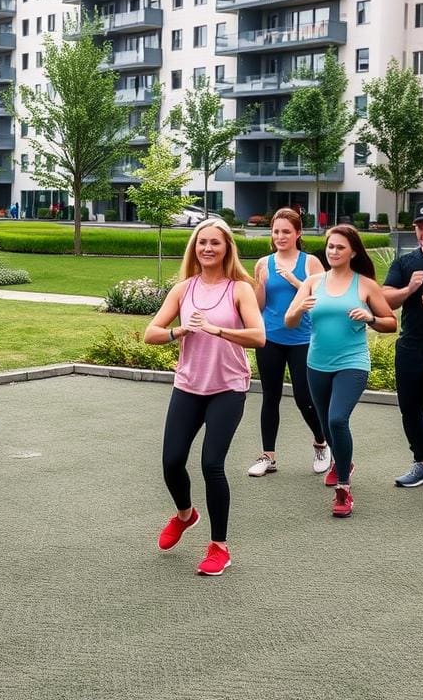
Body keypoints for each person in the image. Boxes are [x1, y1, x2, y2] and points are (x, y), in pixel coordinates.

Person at [143, 219, 265, 577]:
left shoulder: (240, 289)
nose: (207, 248)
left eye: (215, 243)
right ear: (194, 248)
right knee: (171, 461)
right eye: (201, 243)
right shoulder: (183, 289)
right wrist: (179, 330)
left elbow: (259, 337)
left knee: (212, 464)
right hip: (188, 385)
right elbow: (151, 332)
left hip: (228, 387)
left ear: (227, 247)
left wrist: (218, 330)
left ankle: (219, 547)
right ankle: (185, 515)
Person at [285, 225, 396, 518]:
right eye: (330, 247)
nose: (333, 252)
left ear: (353, 252)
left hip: (352, 362)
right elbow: (289, 322)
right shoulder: (312, 282)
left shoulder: (365, 285)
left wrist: (370, 317)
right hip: (317, 364)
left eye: (340, 248)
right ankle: (343, 462)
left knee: (336, 419)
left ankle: (343, 489)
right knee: (326, 422)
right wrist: (299, 309)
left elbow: (390, 322)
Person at [248, 208, 328, 477]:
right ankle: (268, 456)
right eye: (276, 231)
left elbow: (321, 299)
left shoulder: (311, 263)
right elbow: (259, 305)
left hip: (302, 339)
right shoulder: (263, 263)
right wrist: (259, 285)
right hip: (270, 337)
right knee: (270, 397)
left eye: (286, 231)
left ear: (298, 233)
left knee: (304, 397)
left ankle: (320, 442)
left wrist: (293, 279)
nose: (280, 236)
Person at [383, 201, 423, 498]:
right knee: (410, 409)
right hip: (410, 345)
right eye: (420, 227)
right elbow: (386, 300)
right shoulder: (405, 263)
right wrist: (408, 290)